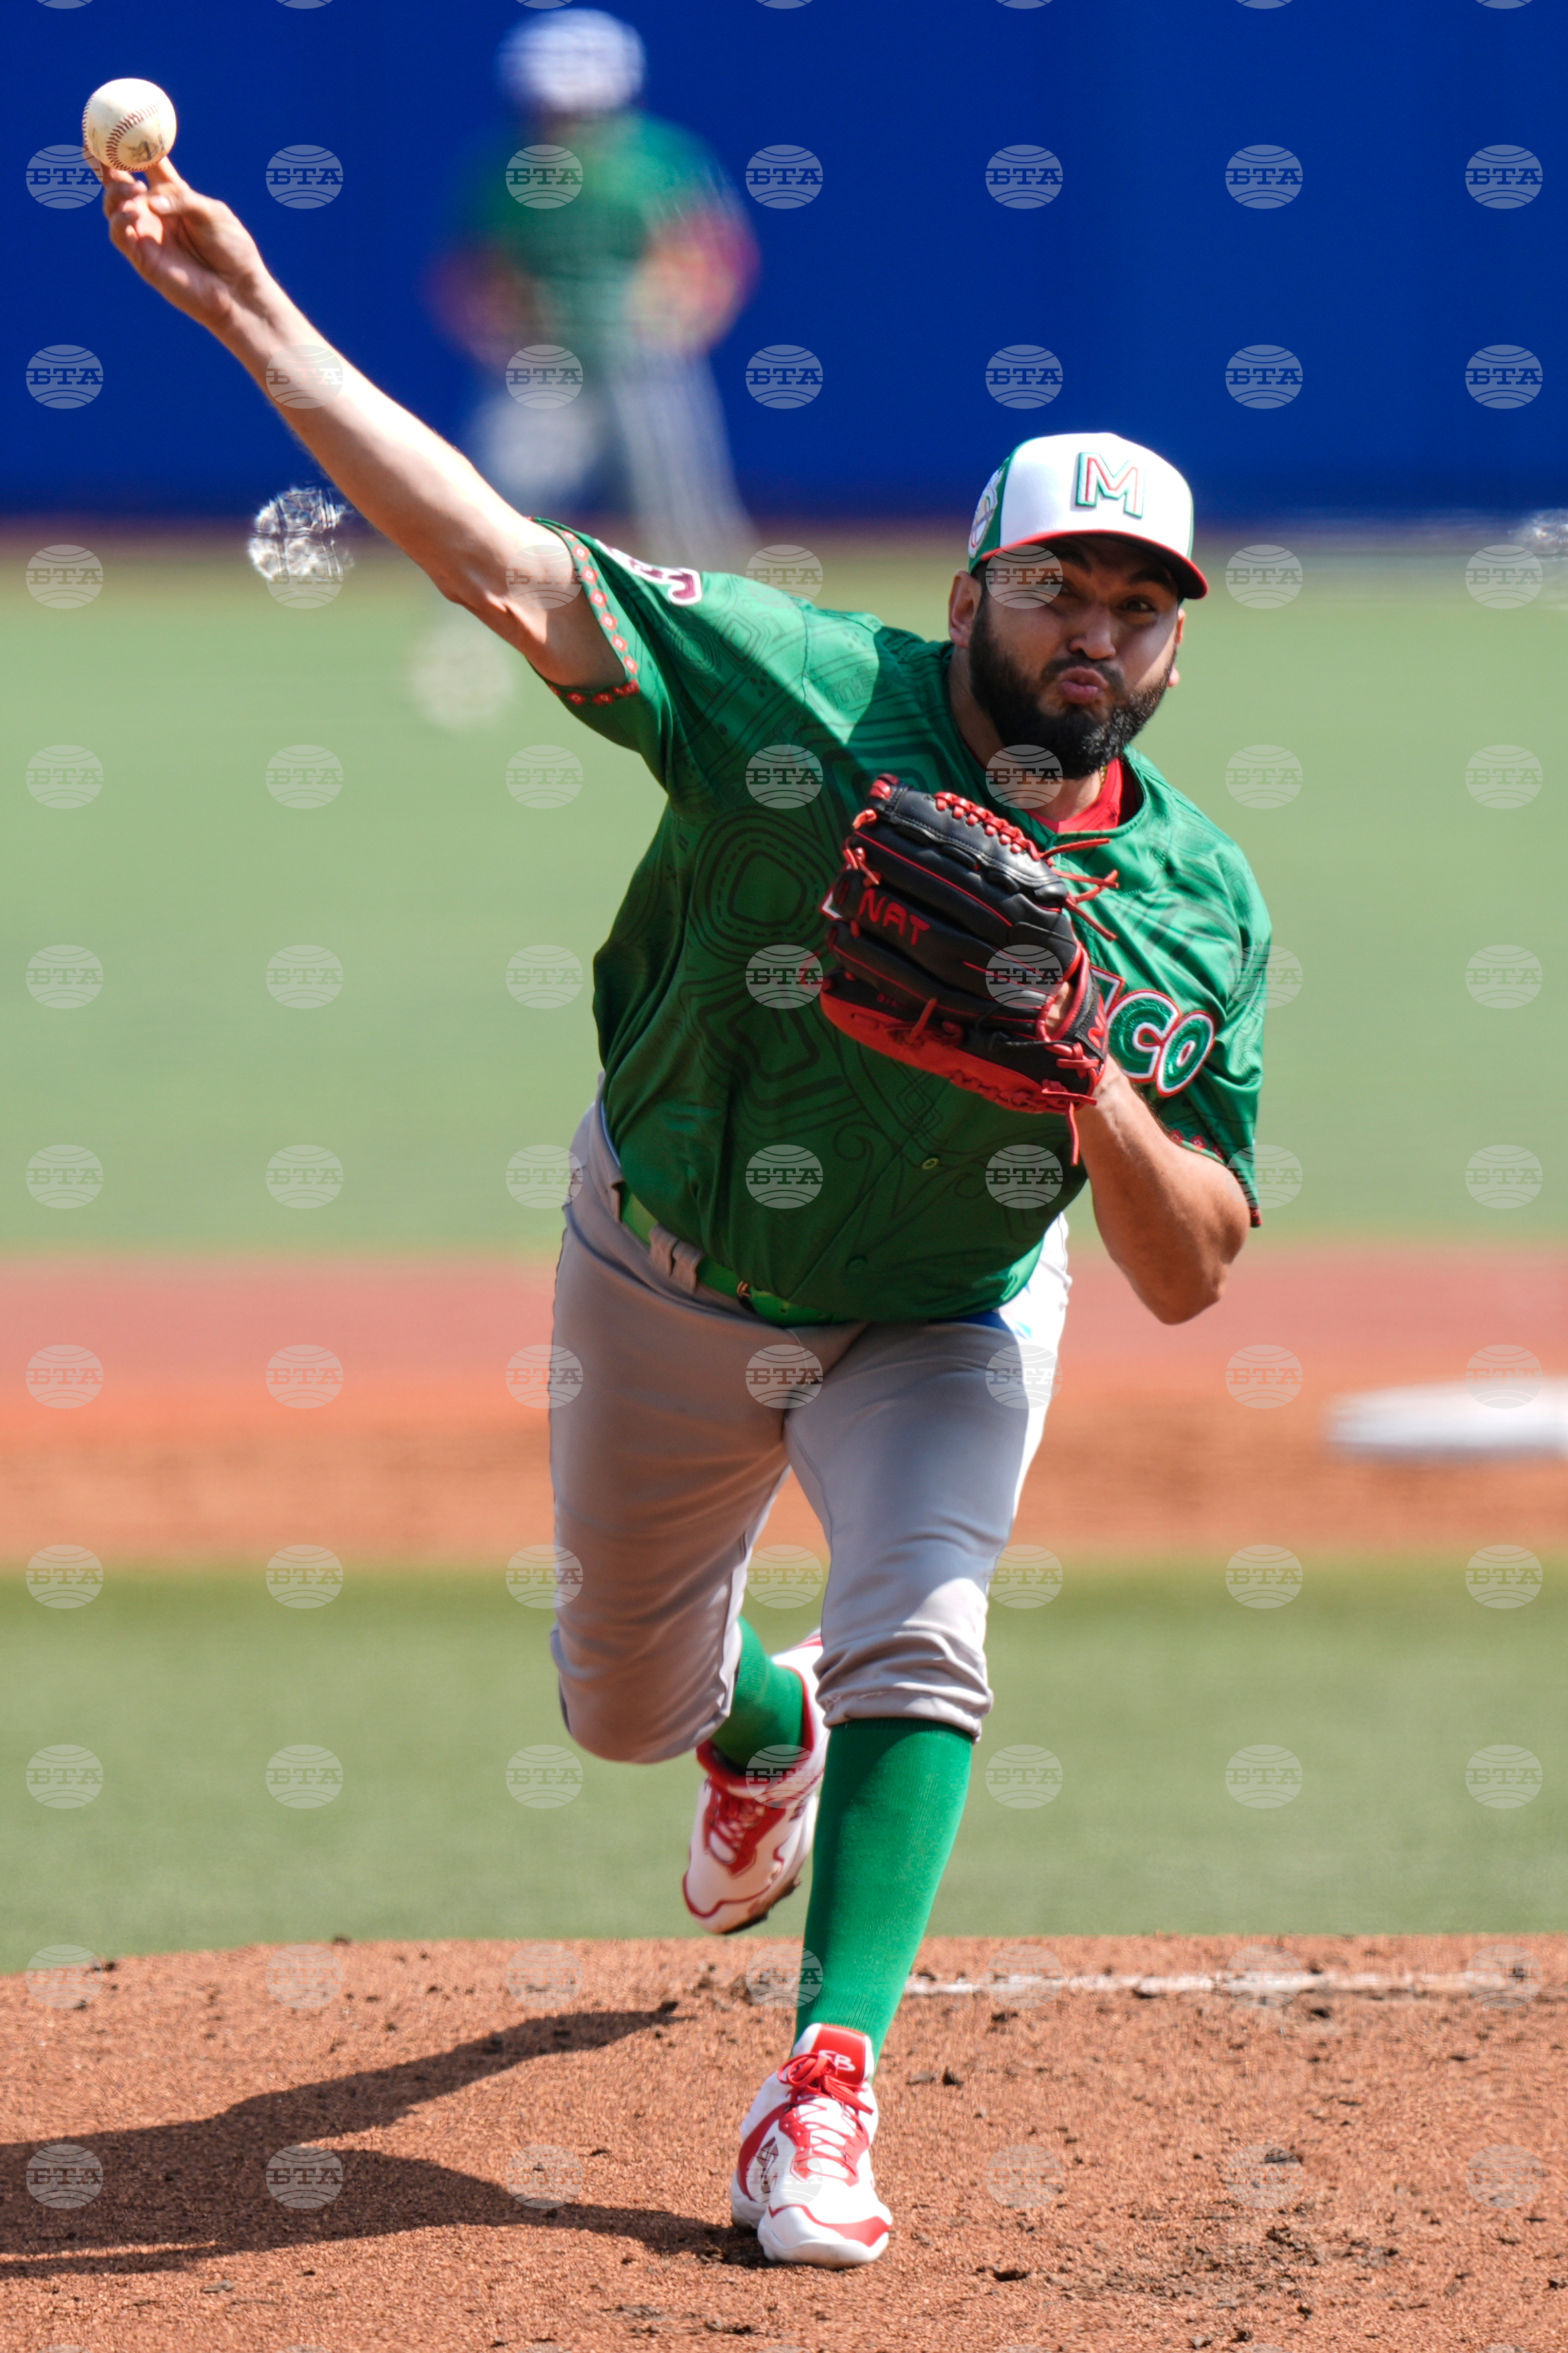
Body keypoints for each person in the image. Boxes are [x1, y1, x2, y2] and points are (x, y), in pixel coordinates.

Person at [99, 152, 1269, 2270]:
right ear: (970, 598)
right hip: (665, 1261)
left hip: (947, 1308)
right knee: (620, 1703)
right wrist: (251, 317)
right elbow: (509, 572)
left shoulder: (1191, 904)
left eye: (1135, 604)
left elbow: (1187, 1273)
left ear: (1171, 637)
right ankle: (752, 1727)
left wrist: (1090, 1082)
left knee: (928, 1621)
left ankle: (817, 2091)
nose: (1092, 634)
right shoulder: (802, 700)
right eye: (1055, 590)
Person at [426, 9, 756, 571]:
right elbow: (475, 269)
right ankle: (467, 637)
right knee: (497, 499)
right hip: (543, 359)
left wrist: (678, 318)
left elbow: (715, 253)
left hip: (640, 356)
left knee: (680, 508)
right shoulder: (505, 165)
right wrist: (500, 331)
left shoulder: (662, 157)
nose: (564, 121)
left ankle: (727, 638)